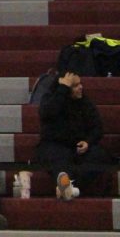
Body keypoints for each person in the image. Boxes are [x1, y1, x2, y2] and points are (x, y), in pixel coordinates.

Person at [34, 71, 110, 201]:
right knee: (57, 157)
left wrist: (88, 142)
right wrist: (62, 89)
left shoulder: (85, 102)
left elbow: (97, 128)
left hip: (79, 148)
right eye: (75, 86)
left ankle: (69, 186)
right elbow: (48, 112)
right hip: (55, 145)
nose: (81, 87)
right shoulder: (51, 99)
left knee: (99, 155)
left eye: (80, 84)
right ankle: (66, 184)